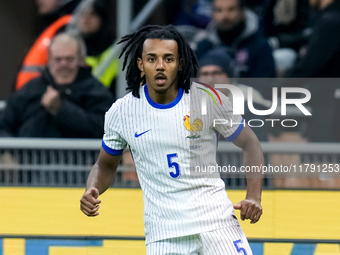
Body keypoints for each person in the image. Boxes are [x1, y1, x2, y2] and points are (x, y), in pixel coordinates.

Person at [80, 25, 264, 254]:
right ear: (140, 64)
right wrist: (92, 188)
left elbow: (250, 143)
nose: (160, 66)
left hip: (217, 224)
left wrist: (254, 197)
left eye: (168, 59)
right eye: (151, 59)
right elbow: (104, 165)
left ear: (180, 64)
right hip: (164, 235)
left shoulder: (206, 99)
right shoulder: (121, 112)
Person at [0, 32, 114, 138]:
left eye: (69, 59)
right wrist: (8, 153)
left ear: (80, 60)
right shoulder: (29, 90)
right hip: (29, 159)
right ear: (49, 60)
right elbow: (4, 125)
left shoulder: (96, 92)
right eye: (58, 59)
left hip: (79, 159)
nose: (63, 64)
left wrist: (61, 109)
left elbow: (103, 129)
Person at [198, 47, 271, 141]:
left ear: (230, 77)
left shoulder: (248, 96)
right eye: (204, 74)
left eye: (216, 73)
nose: (210, 79)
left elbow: (257, 140)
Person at [191, 0, 276, 80]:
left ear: (242, 12)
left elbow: (263, 85)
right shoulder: (204, 47)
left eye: (231, 9)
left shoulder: (260, 46)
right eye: (219, 10)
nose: (225, 16)